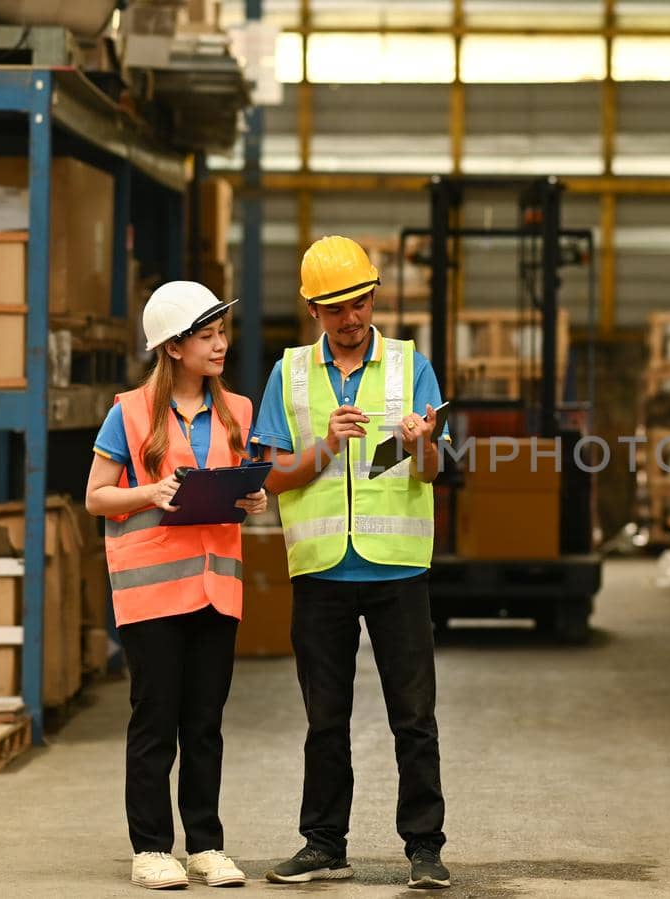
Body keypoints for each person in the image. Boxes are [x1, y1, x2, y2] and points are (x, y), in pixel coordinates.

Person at [250, 236, 452, 890]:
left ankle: (424, 847)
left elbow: (433, 470)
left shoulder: (409, 365)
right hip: (322, 572)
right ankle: (323, 843)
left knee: (413, 718)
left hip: (397, 569)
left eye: (359, 302)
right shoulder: (288, 374)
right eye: (335, 308)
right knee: (325, 719)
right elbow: (270, 478)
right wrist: (323, 449)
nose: (351, 318)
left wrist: (421, 446)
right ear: (313, 309)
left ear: (374, 298)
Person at [84, 280, 267, 891]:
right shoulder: (129, 413)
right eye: (207, 336)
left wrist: (255, 496)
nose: (220, 346)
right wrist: (151, 491)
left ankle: (206, 846)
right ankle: (152, 848)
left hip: (216, 588)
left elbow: (238, 485)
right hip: (151, 591)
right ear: (171, 348)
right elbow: (95, 496)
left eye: (221, 334)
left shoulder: (238, 411)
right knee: (156, 718)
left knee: (205, 722)